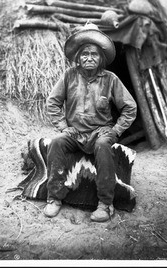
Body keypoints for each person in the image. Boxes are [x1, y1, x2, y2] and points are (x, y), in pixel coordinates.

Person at [44, 23, 137, 222]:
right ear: (77, 57)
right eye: (84, 54)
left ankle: (105, 204)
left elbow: (130, 108)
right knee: (57, 142)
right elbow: (52, 102)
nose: (89, 58)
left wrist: (116, 130)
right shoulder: (69, 76)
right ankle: (54, 198)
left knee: (103, 146)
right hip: (74, 133)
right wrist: (63, 126)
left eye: (94, 54)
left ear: (101, 58)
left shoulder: (111, 79)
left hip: (100, 133)